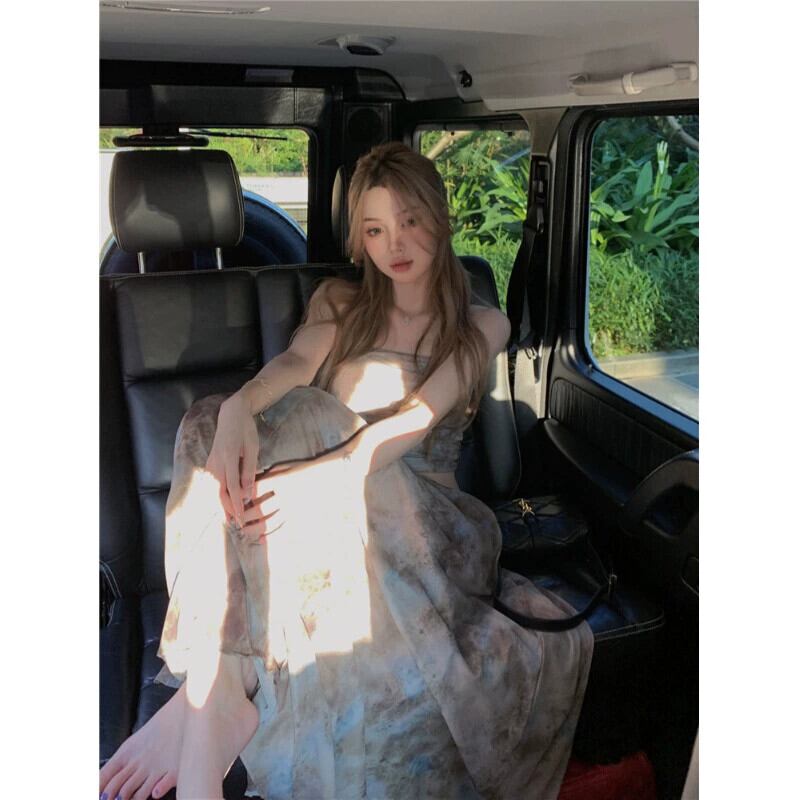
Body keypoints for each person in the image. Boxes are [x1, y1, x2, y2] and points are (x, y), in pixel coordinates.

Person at [99, 142, 593, 800]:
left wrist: (326, 475)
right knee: (211, 419)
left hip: (428, 527)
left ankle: (209, 695)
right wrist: (241, 407)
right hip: (327, 524)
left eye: (411, 220)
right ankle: (217, 683)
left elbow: (416, 417)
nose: (397, 243)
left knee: (313, 416)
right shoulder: (340, 300)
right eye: (376, 228)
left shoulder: (483, 323)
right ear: (359, 238)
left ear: (440, 219)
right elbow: (296, 364)